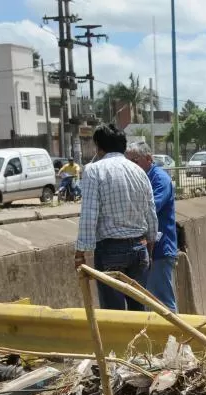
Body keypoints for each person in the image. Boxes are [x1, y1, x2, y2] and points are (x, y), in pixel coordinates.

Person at [74, 124, 157, 311]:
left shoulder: (94, 170)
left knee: (114, 312)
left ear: (99, 147)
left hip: (110, 249)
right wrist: (149, 248)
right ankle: (139, 341)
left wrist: (80, 253)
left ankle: (118, 342)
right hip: (139, 248)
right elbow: (151, 213)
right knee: (139, 312)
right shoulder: (139, 172)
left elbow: (89, 214)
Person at [125, 142, 178, 312]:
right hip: (144, 249)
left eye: (135, 161)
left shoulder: (160, 179)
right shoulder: (138, 179)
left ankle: (175, 337)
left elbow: (152, 207)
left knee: (162, 301)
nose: (131, 166)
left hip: (160, 249)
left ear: (148, 159)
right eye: (128, 162)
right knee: (147, 302)